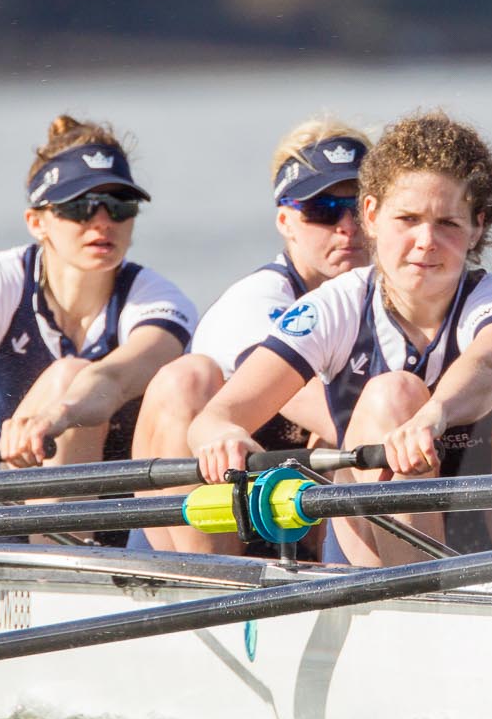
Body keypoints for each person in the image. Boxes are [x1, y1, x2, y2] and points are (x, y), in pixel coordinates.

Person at [188, 110, 492, 565]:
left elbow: (487, 368)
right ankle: (423, 592)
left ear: (477, 228)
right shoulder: (333, 307)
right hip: (370, 545)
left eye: (448, 223)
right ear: (370, 216)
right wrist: (224, 435)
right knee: (395, 393)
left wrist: (434, 416)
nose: (427, 240)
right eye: (407, 219)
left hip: (489, 535)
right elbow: (213, 419)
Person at [0, 114, 194, 470]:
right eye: (79, 206)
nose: (103, 221)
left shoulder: (158, 300)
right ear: (37, 223)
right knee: (67, 375)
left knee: (72, 376)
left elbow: (113, 381)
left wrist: (59, 415)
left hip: (127, 521)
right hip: (10, 509)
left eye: (120, 204)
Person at [133, 119, 372, 553]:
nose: (347, 227)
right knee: (187, 378)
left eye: (359, 208)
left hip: (295, 522)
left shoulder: (405, 297)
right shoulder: (253, 305)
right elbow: (337, 416)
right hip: (208, 530)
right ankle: (214, 590)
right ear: (286, 220)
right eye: (323, 210)